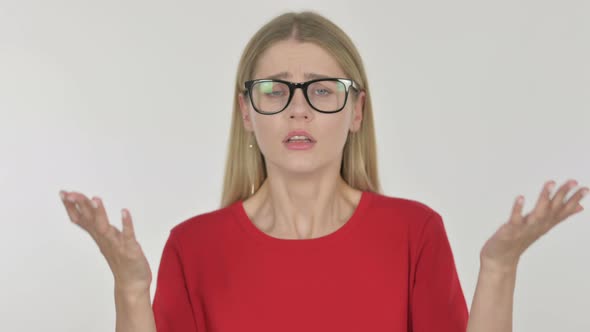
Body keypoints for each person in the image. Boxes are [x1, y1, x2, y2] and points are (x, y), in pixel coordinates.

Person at [59, 11, 588, 332]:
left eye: (322, 89)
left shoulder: (414, 233)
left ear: (357, 112)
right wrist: (130, 288)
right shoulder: (192, 247)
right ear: (246, 112)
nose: (298, 109)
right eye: (274, 90)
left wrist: (499, 269)